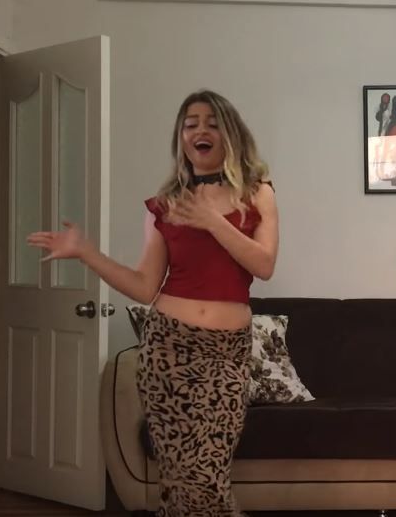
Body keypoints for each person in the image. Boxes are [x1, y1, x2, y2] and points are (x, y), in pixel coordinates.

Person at [27, 90, 278, 516]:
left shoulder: (258, 193)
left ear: (230, 133)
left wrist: (213, 222)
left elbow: (264, 264)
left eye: (211, 123)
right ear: (181, 138)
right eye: (190, 124)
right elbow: (145, 287)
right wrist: (87, 253)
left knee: (207, 477)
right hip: (167, 350)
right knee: (179, 480)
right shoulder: (165, 205)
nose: (199, 130)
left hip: (226, 353)